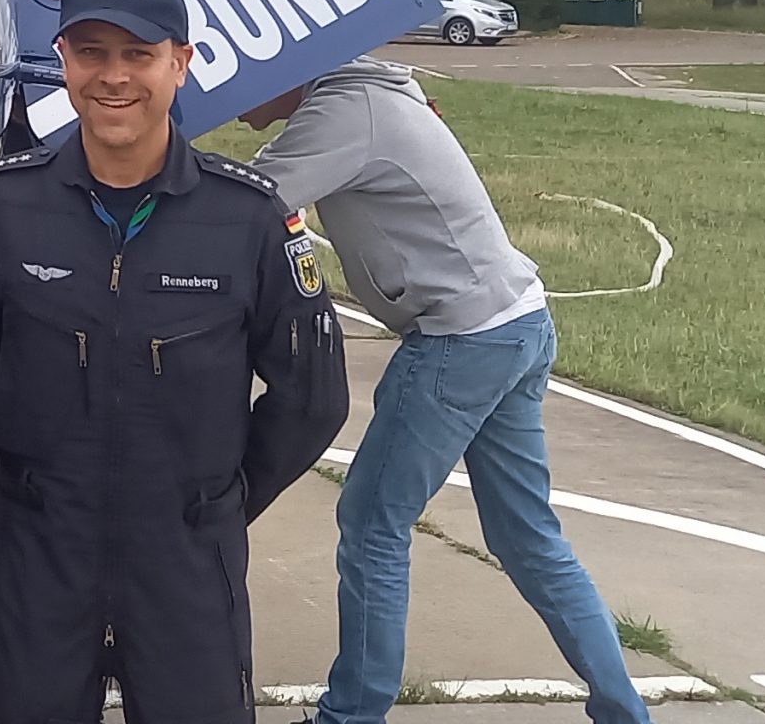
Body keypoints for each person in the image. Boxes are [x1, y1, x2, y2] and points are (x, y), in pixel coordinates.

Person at [0, 0, 347, 724]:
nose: (113, 77)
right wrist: (19, 505)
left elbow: (311, 397)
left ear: (180, 64)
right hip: (40, 558)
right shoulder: (1, 211)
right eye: (91, 53)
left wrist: (216, 505)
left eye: (138, 54)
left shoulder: (248, 220)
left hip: (186, 561)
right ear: (63, 62)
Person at [241, 62, 650, 724]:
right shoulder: (361, 99)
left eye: (235, 84)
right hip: (517, 320)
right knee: (528, 538)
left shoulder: (345, 113)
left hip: (462, 339)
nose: (226, 104)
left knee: (373, 525)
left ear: (288, 63)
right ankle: (625, 713)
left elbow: (248, 204)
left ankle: (351, 717)